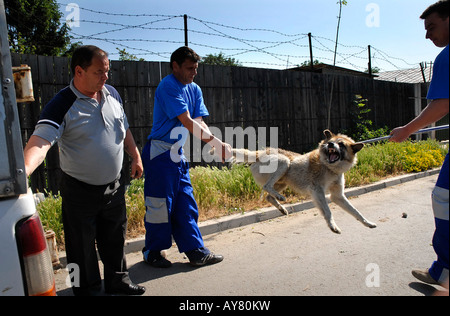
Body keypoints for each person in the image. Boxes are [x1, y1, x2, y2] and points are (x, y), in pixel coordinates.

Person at [24, 45, 146, 296]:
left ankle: (118, 280)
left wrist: (135, 156)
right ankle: (84, 290)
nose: (106, 77)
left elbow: (124, 129)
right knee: (80, 246)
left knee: (115, 237)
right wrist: (23, 171)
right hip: (79, 190)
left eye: (107, 71)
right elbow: (41, 141)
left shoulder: (111, 93)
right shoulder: (62, 104)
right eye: (99, 72)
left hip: (113, 185)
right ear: (79, 71)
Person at [142, 46, 232, 268]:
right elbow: (187, 121)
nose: (194, 72)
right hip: (160, 152)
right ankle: (152, 251)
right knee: (159, 206)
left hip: (177, 154)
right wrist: (218, 143)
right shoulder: (168, 87)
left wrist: (215, 144)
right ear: (175, 66)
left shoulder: (195, 89)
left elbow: (199, 121)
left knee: (185, 203)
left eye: (196, 68)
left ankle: (195, 251)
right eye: (190, 68)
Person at [390, 0, 449, 287]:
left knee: (444, 199)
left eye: (432, 27)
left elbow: (442, 103)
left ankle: (445, 271)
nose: (428, 35)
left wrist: (407, 130)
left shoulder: (448, 56)